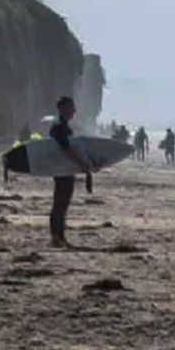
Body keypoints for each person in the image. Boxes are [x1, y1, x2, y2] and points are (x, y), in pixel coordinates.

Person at [49, 95, 95, 247]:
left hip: (66, 168)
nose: (74, 111)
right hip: (62, 169)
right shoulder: (58, 127)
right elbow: (65, 149)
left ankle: (60, 236)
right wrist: (81, 163)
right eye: (70, 107)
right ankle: (56, 237)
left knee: (63, 203)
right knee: (60, 203)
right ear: (62, 109)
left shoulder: (64, 126)